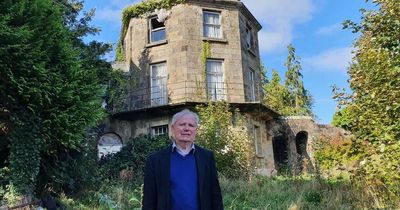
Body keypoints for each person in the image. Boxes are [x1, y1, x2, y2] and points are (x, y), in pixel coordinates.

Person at [142, 109, 223, 210]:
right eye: (182, 124)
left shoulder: (207, 157)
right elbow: (149, 201)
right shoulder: (155, 161)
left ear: (196, 130)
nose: (186, 128)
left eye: (191, 125)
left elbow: (215, 195)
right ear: (172, 128)